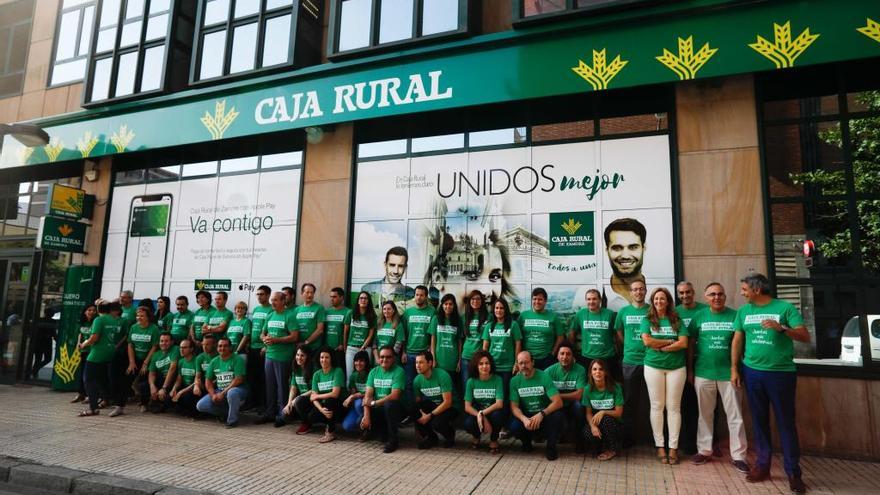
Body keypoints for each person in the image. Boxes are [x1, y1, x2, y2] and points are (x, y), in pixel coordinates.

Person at [731, 273, 810, 494]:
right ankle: (762, 466)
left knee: (786, 422)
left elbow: (805, 336)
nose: (742, 292)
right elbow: (737, 340)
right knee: (758, 421)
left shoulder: (784, 308)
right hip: (752, 372)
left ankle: (793, 472)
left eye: (745, 289)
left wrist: (782, 328)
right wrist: (735, 368)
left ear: (756, 290)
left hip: (780, 374)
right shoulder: (743, 311)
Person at [688, 282, 749, 473]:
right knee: (704, 414)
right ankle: (705, 450)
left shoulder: (735, 315)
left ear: (725, 296)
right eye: (712, 294)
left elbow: (740, 344)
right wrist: (690, 370)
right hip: (703, 372)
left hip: (729, 374)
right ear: (706, 297)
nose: (716, 297)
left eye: (720, 294)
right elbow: (690, 345)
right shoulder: (698, 317)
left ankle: (739, 455)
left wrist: (737, 369)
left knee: (735, 416)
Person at [640, 287, 689, 465]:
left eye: (662, 299)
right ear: (653, 302)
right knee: (657, 406)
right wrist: (670, 341)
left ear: (668, 301)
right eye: (656, 299)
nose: (659, 302)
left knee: (674, 407)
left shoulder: (677, 320)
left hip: (677, 368)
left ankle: (673, 448)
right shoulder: (647, 320)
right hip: (653, 367)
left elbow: (684, 343)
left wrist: (660, 345)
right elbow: (647, 341)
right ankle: (660, 446)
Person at [508, 351, 564, 460]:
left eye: (527, 362)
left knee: (558, 416)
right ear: (517, 365)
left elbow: (558, 402)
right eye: (521, 363)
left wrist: (542, 414)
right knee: (514, 425)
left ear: (532, 362)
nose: (524, 366)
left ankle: (551, 447)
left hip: (543, 415)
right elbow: (514, 406)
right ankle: (526, 442)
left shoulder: (544, 376)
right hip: (527, 416)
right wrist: (524, 419)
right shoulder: (514, 381)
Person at [614, 280, 649, 447]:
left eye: (641, 289)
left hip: (651, 361)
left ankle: (656, 439)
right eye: (635, 289)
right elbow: (618, 332)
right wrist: (629, 344)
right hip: (630, 361)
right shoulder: (623, 312)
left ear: (646, 290)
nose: (638, 292)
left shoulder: (652, 310)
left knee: (655, 402)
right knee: (630, 401)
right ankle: (628, 438)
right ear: (631, 292)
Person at [256, 291, 299, 426]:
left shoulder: (289, 316)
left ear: (283, 301)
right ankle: (270, 413)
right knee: (269, 386)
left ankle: (282, 415)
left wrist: (276, 339)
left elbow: (294, 336)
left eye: (275, 300)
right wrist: (265, 339)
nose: (272, 303)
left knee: (282, 387)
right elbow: (262, 334)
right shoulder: (270, 315)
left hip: (283, 356)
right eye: (272, 300)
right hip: (269, 355)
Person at [675, 281, 708, 455]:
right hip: (681, 363)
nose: (685, 295)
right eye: (681, 293)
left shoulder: (704, 310)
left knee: (707, 407)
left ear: (693, 292)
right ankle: (688, 444)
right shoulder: (675, 312)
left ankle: (711, 442)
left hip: (703, 362)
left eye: (688, 292)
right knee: (686, 405)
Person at [77, 300, 121, 416]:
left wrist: (83, 344)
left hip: (97, 353)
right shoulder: (114, 319)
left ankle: (93, 408)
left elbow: (94, 337)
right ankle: (107, 399)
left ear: (98, 309)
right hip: (109, 351)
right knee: (102, 379)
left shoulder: (99, 319)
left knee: (89, 380)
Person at [361, 345, 406, 453]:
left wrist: (374, 403)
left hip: (395, 409)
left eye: (388, 357)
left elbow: (395, 395)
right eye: (382, 357)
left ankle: (393, 441)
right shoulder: (374, 372)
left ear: (394, 358)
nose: (384, 359)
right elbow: (368, 396)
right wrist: (366, 416)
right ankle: (376, 431)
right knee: (361, 415)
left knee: (389, 404)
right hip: (379, 407)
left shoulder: (399, 371)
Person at [295, 346, 345, 442]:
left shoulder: (337, 371)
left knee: (330, 400)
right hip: (323, 405)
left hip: (339, 405)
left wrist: (317, 396)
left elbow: (335, 394)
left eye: (327, 357)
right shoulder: (317, 374)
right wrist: (321, 409)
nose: (324, 360)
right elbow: (313, 398)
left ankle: (330, 432)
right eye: (322, 357)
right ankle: (309, 424)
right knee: (301, 401)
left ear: (331, 359)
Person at [545, 341, 587, 453]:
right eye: (562, 353)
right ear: (557, 356)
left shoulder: (580, 370)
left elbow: (579, 394)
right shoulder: (549, 371)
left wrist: (557, 396)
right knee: (555, 414)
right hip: (557, 406)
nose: (565, 357)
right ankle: (551, 447)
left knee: (579, 407)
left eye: (568, 354)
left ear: (573, 356)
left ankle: (580, 441)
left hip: (573, 404)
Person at [196, 336, 248, 428]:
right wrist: (213, 395)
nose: (222, 348)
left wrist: (223, 393)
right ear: (217, 348)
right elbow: (208, 380)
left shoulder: (237, 359)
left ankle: (232, 421)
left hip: (238, 389)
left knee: (232, 393)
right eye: (220, 346)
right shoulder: (214, 361)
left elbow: (239, 379)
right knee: (201, 405)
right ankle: (228, 412)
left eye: (225, 346)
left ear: (230, 347)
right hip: (219, 390)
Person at [401, 285, 436, 416]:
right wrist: (403, 352)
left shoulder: (432, 312)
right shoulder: (408, 313)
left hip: (424, 356)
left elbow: (433, 335)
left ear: (426, 296)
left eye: (421, 295)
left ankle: (426, 413)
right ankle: (412, 414)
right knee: (409, 386)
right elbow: (403, 334)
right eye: (416, 294)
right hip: (410, 355)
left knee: (426, 387)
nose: (418, 297)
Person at [462, 350, 505, 454]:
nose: (484, 366)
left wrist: (482, 414)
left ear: (491, 365)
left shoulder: (497, 379)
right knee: (468, 423)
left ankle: (494, 440)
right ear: (476, 366)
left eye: (487, 363)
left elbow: (499, 403)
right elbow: (467, 407)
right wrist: (480, 415)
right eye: (481, 364)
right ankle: (476, 436)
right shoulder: (471, 381)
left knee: (498, 416)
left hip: (492, 411)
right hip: (477, 412)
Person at [412, 351, 456, 449]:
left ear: (430, 363)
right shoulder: (417, 380)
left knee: (437, 423)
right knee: (415, 412)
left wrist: (429, 416)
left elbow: (447, 402)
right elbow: (417, 402)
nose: (418, 365)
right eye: (416, 362)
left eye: (421, 362)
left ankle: (450, 436)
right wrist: (421, 415)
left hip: (451, 406)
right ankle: (431, 438)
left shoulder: (442, 375)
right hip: (434, 405)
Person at [582, 358, 624, 461]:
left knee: (606, 419)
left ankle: (613, 449)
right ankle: (601, 447)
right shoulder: (587, 389)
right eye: (594, 369)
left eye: (601, 369)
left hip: (614, 424)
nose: (598, 372)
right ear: (591, 372)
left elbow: (619, 413)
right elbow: (588, 413)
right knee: (587, 432)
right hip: (596, 422)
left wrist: (603, 411)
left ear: (605, 372)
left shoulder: (616, 387)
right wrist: (593, 427)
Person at [569, 288, 618, 376]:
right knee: (589, 385)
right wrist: (572, 353)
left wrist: (619, 353)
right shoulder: (580, 314)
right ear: (586, 300)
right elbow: (572, 334)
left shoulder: (610, 314)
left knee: (608, 384)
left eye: (594, 299)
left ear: (600, 300)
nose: (591, 302)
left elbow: (617, 335)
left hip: (607, 357)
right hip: (587, 357)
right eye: (589, 299)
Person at [481, 297, 521, 401]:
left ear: (506, 310)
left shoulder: (513, 325)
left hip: (507, 368)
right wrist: (484, 365)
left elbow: (518, 345)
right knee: (493, 395)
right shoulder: (489, 326)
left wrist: (516, 363)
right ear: (493, 310)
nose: (499, 310)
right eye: (496, 308)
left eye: (501, 308)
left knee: (505, 395)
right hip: (492, 366)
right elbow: (485, 348)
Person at [603, 218, 647, 311]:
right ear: (607, 251)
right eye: (617, 248)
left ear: (644, 248)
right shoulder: (584, 294)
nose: (625, 256)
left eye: (633, 247)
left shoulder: (662, 293)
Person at [517, 287, 565, 370]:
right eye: (534, 299)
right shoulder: (523, 316)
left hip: (546, 359)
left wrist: (553, 354)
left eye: (540, 299)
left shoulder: (553, 317)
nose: (537, 302)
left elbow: (560, 337)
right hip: (527, 359)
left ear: (545, 301)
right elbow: (517, 337)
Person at [361, 246, 415, 311]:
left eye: (400, 266)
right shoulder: (367, 289)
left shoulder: (411, 294)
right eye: (392, 265)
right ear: (385, 265)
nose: (396, 271)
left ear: (405, 268)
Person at [428, 294, 462, 398]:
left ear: (454, 306)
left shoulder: (458, 320)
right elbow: (433, 340)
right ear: (442, 305)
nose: (448, 306)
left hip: (452, 361)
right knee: (439, 390)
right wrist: (433, 358)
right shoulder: (436, 319)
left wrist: (459, 360)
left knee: (451, 390)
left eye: (450, 304)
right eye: (445, 304)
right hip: (438, 361)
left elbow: (459, 342)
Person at [128, 306, 159, 412]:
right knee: (128, 376)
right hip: (135, 358)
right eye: (137, 315)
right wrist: (131, 362)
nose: (139, 318)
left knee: (143, 382)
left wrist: (146, 363)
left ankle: (144, 403)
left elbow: (154, 347)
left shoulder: (154, 328)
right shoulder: (133, 327)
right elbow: (130, 345)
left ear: (148, 317)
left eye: (142, 316)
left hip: (149, 359)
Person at [248, 286, 272, 414]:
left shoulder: (271, 310)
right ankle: (253, 403)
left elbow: (271, 330)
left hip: (263, 349)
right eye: (257, 294)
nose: (259, 296)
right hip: (252, 348)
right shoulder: (256, 309)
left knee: (264, 378)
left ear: (268, 295)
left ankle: (264, 405)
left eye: (262, 294)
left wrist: (266, 346)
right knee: (253, 377)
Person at [345, 292, 376, 383]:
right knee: (350, 375)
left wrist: (363, 347)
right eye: (361, 298)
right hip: (351, 348)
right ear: (358, 301)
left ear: (368, 301)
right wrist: (345, 347)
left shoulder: (372, 316)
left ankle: (364, 396)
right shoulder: (350, 313)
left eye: (365, 298)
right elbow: (345, 332)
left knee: (365, 375)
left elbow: (371, 334)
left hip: (366, 349)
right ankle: (350, 396)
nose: (363, 300)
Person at [460, 290, 488, 392]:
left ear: (482, 301)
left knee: (480, 387)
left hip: (480, 358)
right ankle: (466, 407)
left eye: (478, 299)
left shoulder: (488, 317)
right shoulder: (464, 317)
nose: (475, 301)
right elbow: (461, 339)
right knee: (466, 386)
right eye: (473, 299)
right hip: (466, 357)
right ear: (469, 301)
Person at [145, 332, 178, 413]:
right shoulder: (156, 354)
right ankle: (151, 403)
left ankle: (162, 404)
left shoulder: (175, 349)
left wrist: (164, 388)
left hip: (172, 380)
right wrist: (152, 386)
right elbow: (152, 373)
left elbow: (172, 368)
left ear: (172, 342)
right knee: (144, 386)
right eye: (161, 341)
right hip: (161, 379)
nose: (163, 343)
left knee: (169, 400)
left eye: (166, 341)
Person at [341, 350, 371, 436]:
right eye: (356, 361)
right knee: (346, 426)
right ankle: (361, 424)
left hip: (369, 403)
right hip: (357, 404)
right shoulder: (353, 376)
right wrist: (353, 396)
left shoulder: (371, 373)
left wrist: (354, 396)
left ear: (366, 362)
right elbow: (353, 392)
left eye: (361, 361)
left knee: (358, 403)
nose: (358, 363)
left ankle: (367, 428)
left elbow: (369, 393)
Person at [72, 303, 98, 403]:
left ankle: (89, 395)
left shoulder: (96, 322)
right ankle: (80, 394)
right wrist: (78, 344)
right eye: (89, 310)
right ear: (85, 311)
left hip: (92, 351)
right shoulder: (82, 322)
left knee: (90, 375)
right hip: (83, 350)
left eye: (93, 310)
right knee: (81, 373)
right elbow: (80, 334)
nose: (91, 312)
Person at [285, 345, 314, 433]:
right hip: (301, 398)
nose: (299, 358)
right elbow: (293, 387)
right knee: (285, 416)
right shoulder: (296, 368)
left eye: (302, 355)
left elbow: (314, 389)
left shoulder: (313, 368)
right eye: (297, 355)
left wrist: (297, 398)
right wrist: (289, 403)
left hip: (312, 398)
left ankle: (307, 424)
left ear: (307, 357)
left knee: (298, 401)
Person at [291, 283, 326, 355]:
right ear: (302, 293)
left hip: (313, 348)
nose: (310, 295)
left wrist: (306, 342)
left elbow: (320, 330)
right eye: (307, 292)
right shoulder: (296, 310)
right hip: (298, 348)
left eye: (312, 292)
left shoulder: (319, 308)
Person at [325, 287, 352, 372]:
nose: (332, 299)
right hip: (327, 350)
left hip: (340, 350)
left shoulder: (348, 312)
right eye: (331, 297)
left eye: (334, 297)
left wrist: (343, 345)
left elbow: (349, 332)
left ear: (341, 297)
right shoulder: (327, 312)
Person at [171, 338, 199, 417]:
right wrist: (174, 389)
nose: (181, 350)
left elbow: (197, 381)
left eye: (184, 348)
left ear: (191, 349)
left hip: (194, 387)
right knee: (169, 397)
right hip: (184, 386)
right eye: (180, 347)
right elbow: (179, 379)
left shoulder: (197, 360)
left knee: (186, 397)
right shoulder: (181, 361)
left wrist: (181, 392)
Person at [30, 307, 57, 380]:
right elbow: (53, 333)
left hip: (40, 342)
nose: (53, 313)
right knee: (45, 358)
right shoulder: (52, 322)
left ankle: (34, 371)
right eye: (52, 312)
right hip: (44, 342)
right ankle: (34, 372)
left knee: (41, 359)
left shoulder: (40, 320)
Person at [194, 334, 219, 408]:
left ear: (214, 345)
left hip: (217, 384)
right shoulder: (200, 357)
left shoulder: (219, 356)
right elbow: (197, 375)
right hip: (204, 383)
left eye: (207, 344)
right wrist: (196, 385)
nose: (204, 347)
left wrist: (210, 384)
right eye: (203, 344)